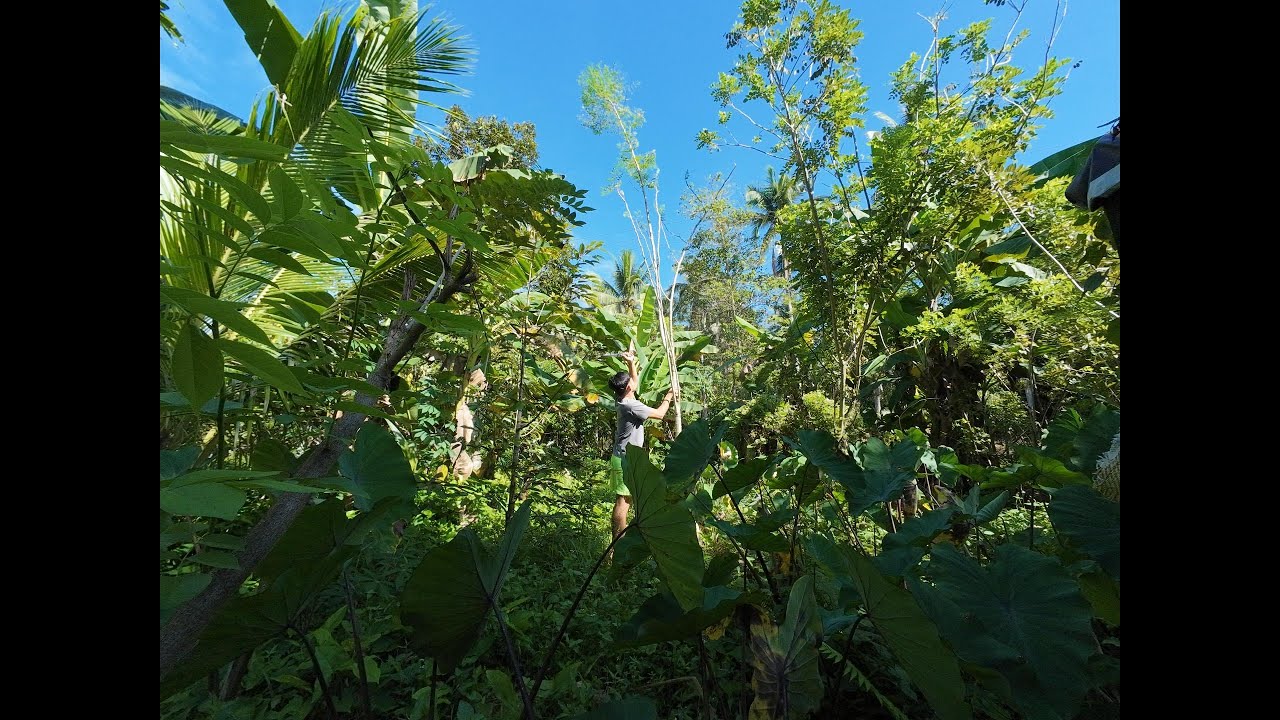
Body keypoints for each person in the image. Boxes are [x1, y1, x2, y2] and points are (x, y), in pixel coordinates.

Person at [606, 347, 676, 546]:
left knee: (627, 499)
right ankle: (618, 544)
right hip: (625, 459)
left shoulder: (623, 398)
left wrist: (630, 362)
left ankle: (622, 541)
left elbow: (634, 383)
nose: (633, 382)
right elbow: (660, 414)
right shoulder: (631, 406)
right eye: (629, 381)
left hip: (625, 457)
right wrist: (669, 396)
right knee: (623, 501)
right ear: (627, 388)